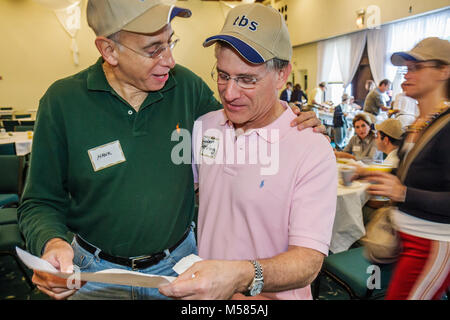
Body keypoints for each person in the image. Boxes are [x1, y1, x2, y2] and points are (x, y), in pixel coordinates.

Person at [17, 0, 324, 300]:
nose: (170, 60)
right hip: (93, 274)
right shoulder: (62, 102)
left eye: (170, 43)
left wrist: (293, 115)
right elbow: (39, 201)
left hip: (178, 269)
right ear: (109, 50)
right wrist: (52, 242)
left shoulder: (186, 88)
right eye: (154, 50)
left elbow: (246, 113)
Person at [159, 3, 337, 300]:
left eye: (247, 79)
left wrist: (237, 278)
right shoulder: (205, 127)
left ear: (282, 75)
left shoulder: (311, 147)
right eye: (223, 75)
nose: (229, 93)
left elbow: (308, 262)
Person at [361, 37, 450, 300]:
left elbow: (408, 189)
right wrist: (372, 173)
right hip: (405, 238)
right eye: (406, 68)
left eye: (416, 68)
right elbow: (412, 177)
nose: (407, 75)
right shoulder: (419, 123)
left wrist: (403, 193)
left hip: (432, 243)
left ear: (444, 71)